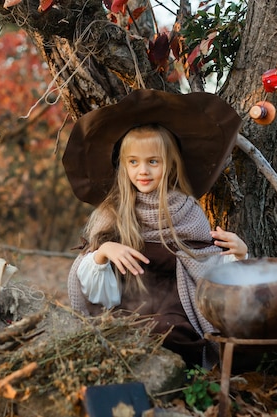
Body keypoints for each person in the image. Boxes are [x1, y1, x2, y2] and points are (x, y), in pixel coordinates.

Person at [63, 89, 246, 368]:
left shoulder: (187, 211)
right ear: (123, 166)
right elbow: (91, 289)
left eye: (153, 162)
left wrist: (238, 256)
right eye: (133, 162)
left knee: (166, 331)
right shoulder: (112, 212)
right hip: (125, 310)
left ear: (169, 164)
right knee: (118, 335)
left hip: (174, 314)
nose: (143, 171)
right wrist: (102, 252)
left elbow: (207, 270)